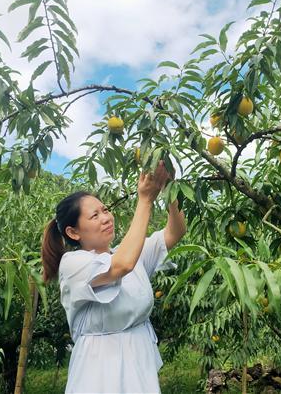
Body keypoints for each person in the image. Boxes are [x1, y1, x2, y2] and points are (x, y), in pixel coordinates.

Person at [41, 160, 186, 393]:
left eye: (106, 210)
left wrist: (169, 188)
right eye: (95, 215)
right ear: (73, 232)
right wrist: (146, 200)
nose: (106, 218)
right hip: (99, 371)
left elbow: (175, 232)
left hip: (138, 363)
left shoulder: (127, 251)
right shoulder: (74, 264)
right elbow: (122, 266)